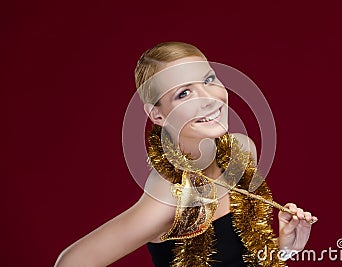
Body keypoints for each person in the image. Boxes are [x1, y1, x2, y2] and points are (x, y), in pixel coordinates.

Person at [55, 41, 317, 267]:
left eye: (209, 80)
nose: (209, 98)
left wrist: (283, 249)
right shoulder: (167, 199)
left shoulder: (242, 150)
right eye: (184, 93)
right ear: (157, 115)